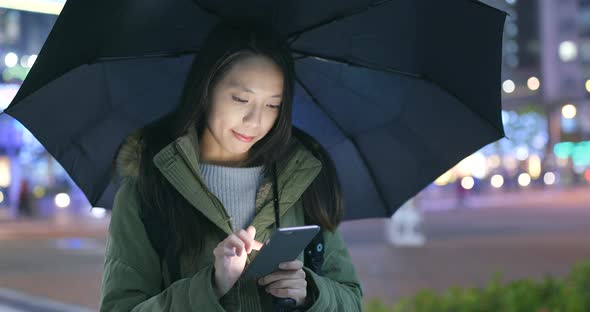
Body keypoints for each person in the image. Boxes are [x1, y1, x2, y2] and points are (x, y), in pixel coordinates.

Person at [99, 20, 363, 311]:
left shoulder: (302, 179)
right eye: (240, 99)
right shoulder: (148, 191)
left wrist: (311, 293)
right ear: (206, 89)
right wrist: (210, 286)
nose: (255, 121)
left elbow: (351, 299)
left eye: (272, 105)